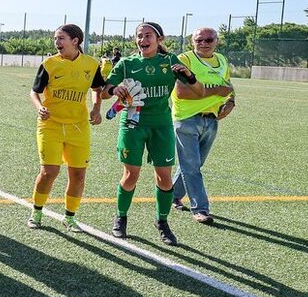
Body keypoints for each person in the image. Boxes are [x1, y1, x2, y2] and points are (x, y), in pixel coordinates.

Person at [100, 22, 198, 245]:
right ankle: (121, 217)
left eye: (148, 36)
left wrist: (190, 77)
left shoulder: (170, 61)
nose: (142, 40)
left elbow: (196, 88)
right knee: (130, 175)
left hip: (162, 126)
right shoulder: (126, 64)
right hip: (133, 126)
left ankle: (162, 221)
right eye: (139, 36)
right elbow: (105, 92)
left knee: (164, 178)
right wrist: (114, 89)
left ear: (159, 39)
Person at [28, 25, 105, 231]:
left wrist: (96, 108)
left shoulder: (91, 64)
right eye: (55, 39)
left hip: (78, 127)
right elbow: (34, 92)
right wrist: (40, 107)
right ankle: (36, 212)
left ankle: (69, 217)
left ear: (75, 41)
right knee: (49, 172)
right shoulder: (49, 64)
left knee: (78, 174)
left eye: (61, 38)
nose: (57, 43)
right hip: (50, 125)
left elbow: (97, 88)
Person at [170, 27, 236, 224]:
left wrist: (231, 101)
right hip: (186, 119)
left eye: (209, 40)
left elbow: (229, 86)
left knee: (194, 164)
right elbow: (182, 92)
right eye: (199, 40)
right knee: (191, 166)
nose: (204, 43)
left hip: (212, 120)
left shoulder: (222, 60)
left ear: (217, 41)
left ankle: (171, 196)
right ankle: (200, 209)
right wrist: (217, 90)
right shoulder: (185, 59)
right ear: (193, 41)